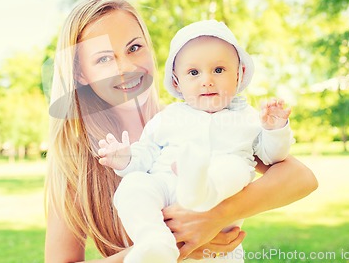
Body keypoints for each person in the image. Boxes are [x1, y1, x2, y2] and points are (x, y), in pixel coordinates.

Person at [44, 0, 318, 263]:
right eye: (104, 59)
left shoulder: (192, 118)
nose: (126, 67)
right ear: (80, 74)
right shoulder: (75, 160)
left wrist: (214, 217)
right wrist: (169, 246)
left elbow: (301, 178)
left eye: (134, 48)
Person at [97, 20, 293, 262]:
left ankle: (200, 186)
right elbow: (145, 154)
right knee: (133, 185)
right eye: (194, 72)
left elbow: (273, 156)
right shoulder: (167, 118)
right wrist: (124, 158)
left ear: (239, 75)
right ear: (177, 82)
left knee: (234, 167)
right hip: (167, 189)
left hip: (218, 207)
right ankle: (154, 242)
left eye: (219, 70)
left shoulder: (248, 118)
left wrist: (275, 129)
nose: (207, 80)